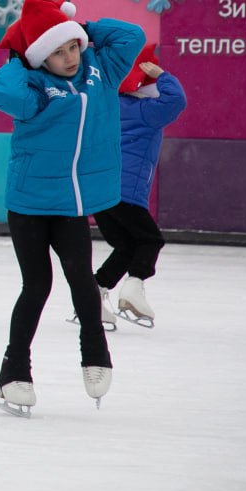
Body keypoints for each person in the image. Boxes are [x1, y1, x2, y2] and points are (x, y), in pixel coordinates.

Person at [0, 0, 144, 415]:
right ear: (40, 58)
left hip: (71, 204)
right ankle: (14, 372)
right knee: (37, 285)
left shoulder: (101, 73)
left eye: (72, 47)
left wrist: (80, 28)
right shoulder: (30, 84)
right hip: (29, 203)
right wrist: (22, 59)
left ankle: (96, 355)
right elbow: (7, 96)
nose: (69, 58)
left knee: (81, 278)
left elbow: (133, 35)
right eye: (56, 52)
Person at [92, 44, 186, 328]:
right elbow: (176, 100)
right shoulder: (147, 110)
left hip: (101, 191)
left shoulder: (109, 107)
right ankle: (133, 288)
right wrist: (164, 75)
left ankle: (94, 293)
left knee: (126, 245)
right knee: (150, 240)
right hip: (126, 192)